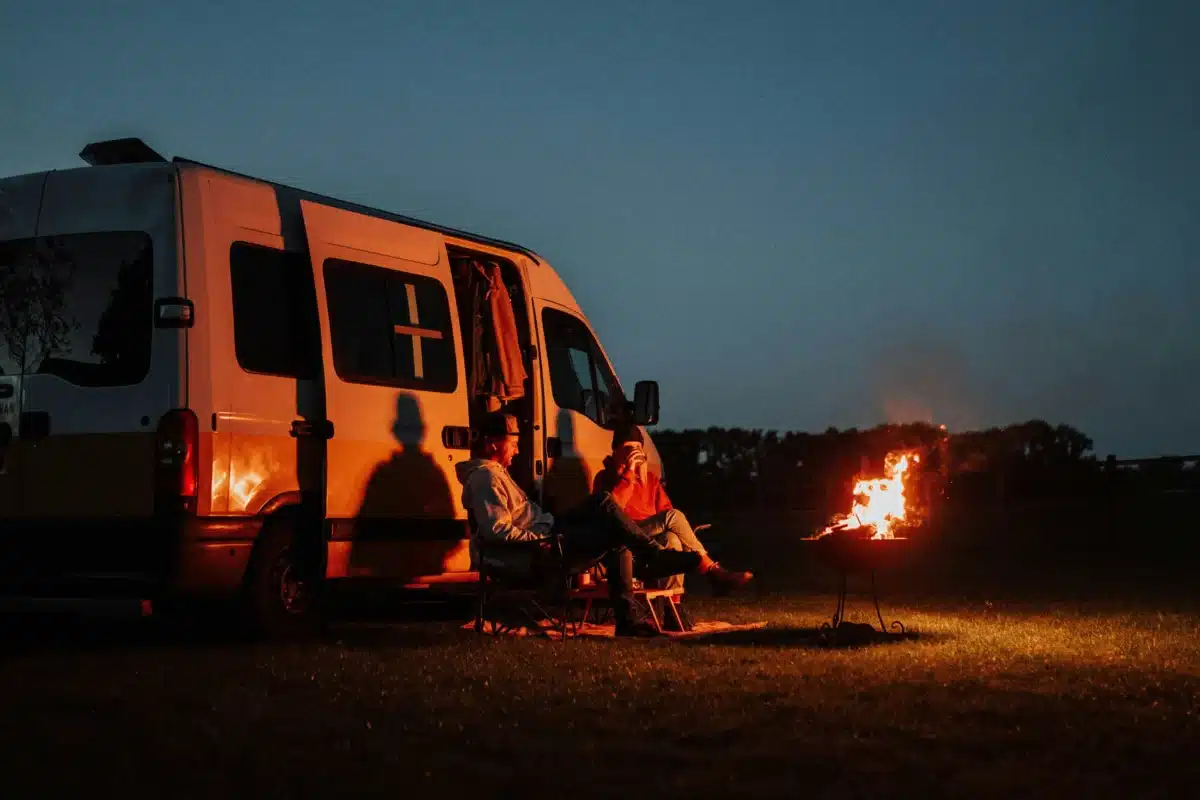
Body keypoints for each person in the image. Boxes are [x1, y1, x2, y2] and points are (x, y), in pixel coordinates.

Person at [455, 413, 705, 637]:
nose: (517, 451)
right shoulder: (485, 478)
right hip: (538, 550)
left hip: (550, 531)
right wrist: (539, 540)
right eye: (514, 444)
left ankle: (652, 566)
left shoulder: (494, 473)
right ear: (492, 443)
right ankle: (651, 572)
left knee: (603, 503)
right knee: (611, 525)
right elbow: (496, 529)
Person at [593, 425, 753, 595]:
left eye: (637, 448)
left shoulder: (650, 480)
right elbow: (612, 512)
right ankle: (712, 571)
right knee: (673, 516)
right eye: (627, 448)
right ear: (616, 450)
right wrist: (628, 473)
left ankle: (672, 609)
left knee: (672, 539)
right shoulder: (605, 477)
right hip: (622, 537)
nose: (633, 452)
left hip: (648, 539)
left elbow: (667, 514)